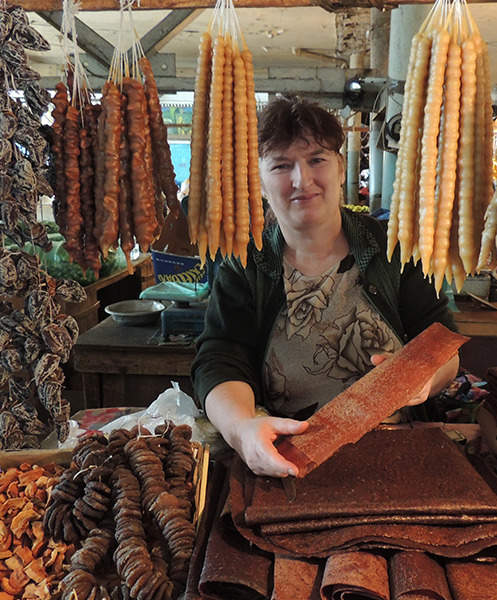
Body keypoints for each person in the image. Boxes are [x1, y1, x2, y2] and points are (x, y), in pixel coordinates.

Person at [190, 95, 459, 478]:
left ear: (340, 165)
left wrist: (426, 377)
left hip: (400, 452)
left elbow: (442, 339)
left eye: (317, 159)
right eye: (282, 165)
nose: (302, 180)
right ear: (260, 181)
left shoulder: (393, 246)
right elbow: (219, 359)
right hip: (288, 461)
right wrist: (241, 429)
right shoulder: (244, 263)